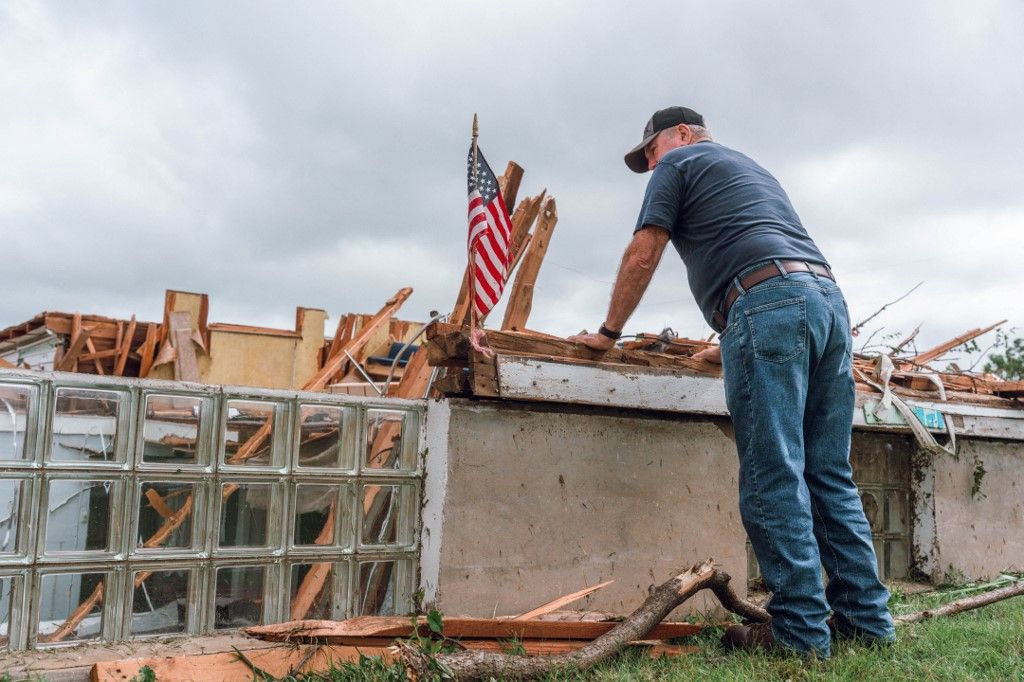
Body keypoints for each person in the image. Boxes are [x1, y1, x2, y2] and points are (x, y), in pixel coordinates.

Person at [567, 106, 894, 657]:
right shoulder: (752, 170)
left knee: (773, 475)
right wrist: (733, 339)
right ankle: (868, 623)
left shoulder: (681, 163)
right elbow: (771, 258)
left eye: (651, 152)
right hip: (828, 306)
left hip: (769, 305)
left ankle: (799, 635)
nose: (651, 167)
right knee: (829, 474)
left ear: (684, 134)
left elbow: (644, 250)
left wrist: (607, 333)